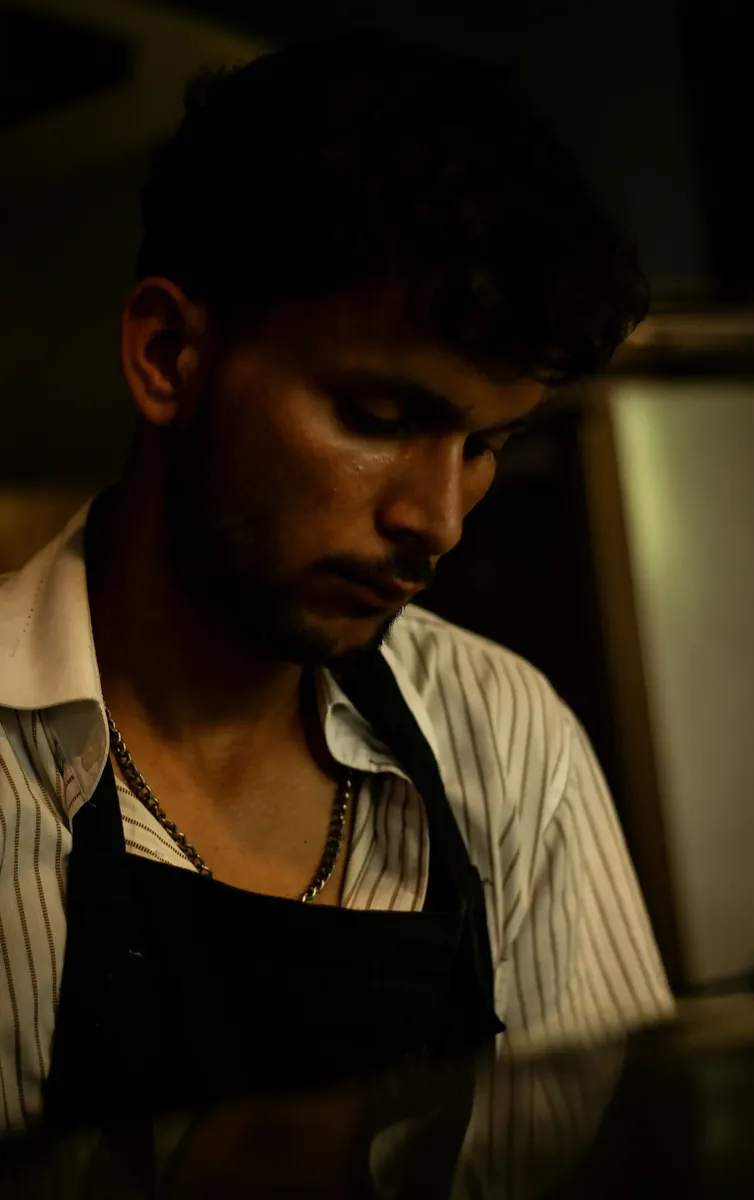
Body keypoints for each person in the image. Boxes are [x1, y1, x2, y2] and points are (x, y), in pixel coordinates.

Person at [0, 33, 672, 1196]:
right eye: (374, 416)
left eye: (483, 446)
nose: (439, 518)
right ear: (168, 356)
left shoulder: (506, 738)